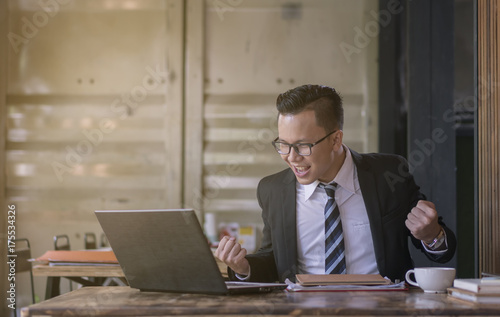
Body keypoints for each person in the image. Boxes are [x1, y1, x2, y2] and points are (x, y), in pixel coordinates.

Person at [215, 84, 456, 283]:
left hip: (382, 308)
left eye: (302, 146)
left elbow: (440, 251)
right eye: (283, 144)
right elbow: (271, 261)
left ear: (336, 139)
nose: (291, 156)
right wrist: (243, 267)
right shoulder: (273, 190)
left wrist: (431, 236)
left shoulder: (388, 175)